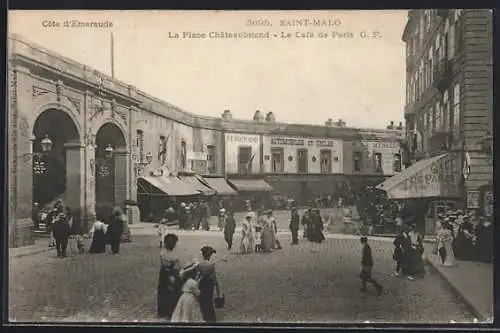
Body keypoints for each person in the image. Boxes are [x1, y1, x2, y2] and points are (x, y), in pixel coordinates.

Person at [157, 233, 183, 319]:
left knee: (163, 291)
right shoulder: (175, 255)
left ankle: (162, 311)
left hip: (164, 273)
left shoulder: (162, 253)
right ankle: (171, 310)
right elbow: (177, 267)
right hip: (172, 274)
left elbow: (163, 264)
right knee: (173, 292)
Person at [198, 246, 221, 323]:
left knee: (202, 298)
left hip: (202, 282)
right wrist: (216, 284)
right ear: (210, 255)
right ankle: (209, 315)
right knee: (209, 298)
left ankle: (203, 313)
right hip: (209, 282)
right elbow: (213, 276)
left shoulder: (200, 264)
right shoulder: (211, 265)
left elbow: (198, 274)